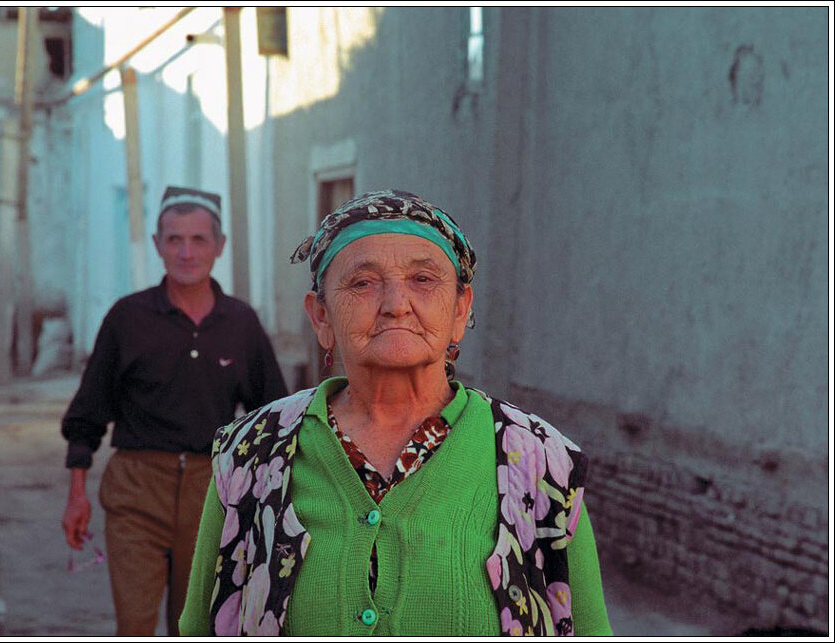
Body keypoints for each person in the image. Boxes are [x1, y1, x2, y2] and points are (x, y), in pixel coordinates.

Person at [179, 189, 613, 636]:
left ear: (461, 309)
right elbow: (199, 625)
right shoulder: (253, 452)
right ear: (321, 317)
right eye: (362, 283)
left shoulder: (539, 461)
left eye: (423, 280)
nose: (395, 304)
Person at [60, 186, 289, 636]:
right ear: (157, 245)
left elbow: (272, 418)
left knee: (195, 626)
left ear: (219, 246)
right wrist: (76, 492)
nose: (187, 252)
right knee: (136, 625)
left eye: (199, 239)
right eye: (174, 240)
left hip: (213, 493)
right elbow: (89, 410)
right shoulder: (127, 318)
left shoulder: (241, 323)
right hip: (136, 490)